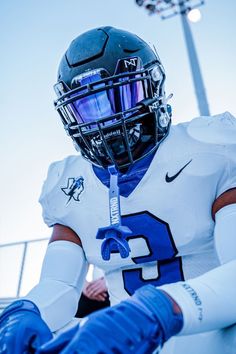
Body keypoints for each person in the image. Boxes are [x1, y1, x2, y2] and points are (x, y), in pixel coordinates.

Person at [0, 26, 236, 354]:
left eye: (122, 96)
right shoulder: (69, 183)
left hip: (211, 330)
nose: (107, 119)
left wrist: (158, 309)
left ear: (152, 87)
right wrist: (24, 311)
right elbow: (58, 285)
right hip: (122, 342)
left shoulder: (210, 150)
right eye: (90, 107)